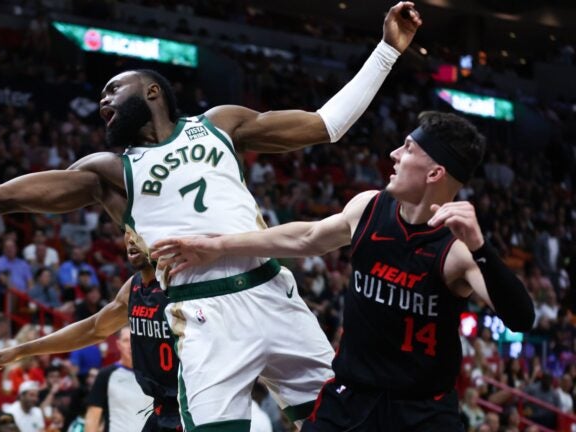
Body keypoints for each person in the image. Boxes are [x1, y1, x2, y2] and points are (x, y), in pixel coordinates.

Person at [0, 4, 421, 427]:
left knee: (347, 422)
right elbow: (2, 197)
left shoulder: (221, 123)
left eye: (112, 89)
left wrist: (388, 49)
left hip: (273, 291)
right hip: (204, 313)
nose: (102, 101)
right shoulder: (109, 171)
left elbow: (326, 125)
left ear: (151, 92)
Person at [152, 111, 535, 431]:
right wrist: (217, 246)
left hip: (421, 414)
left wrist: (481, 247)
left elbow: (521, 317)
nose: (394, 154)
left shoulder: (456, 250)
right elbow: (306, 237)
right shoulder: (370, 207)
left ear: (434, 173)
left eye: (408, 148)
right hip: (351, 400)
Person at [0, 236, 181, 431]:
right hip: (162, 411)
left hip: (188, 407)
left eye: (138, 231)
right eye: (127, 231)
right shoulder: (134, 287)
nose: (131, 240)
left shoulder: (180, 283)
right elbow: (93, 328)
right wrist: (19, 351)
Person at [84, 327, 153, 432]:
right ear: (118, 344)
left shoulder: (154, 375)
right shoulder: (105, 375)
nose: (131, 345)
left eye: (135, 340)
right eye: (126, 341)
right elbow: (93, 417)